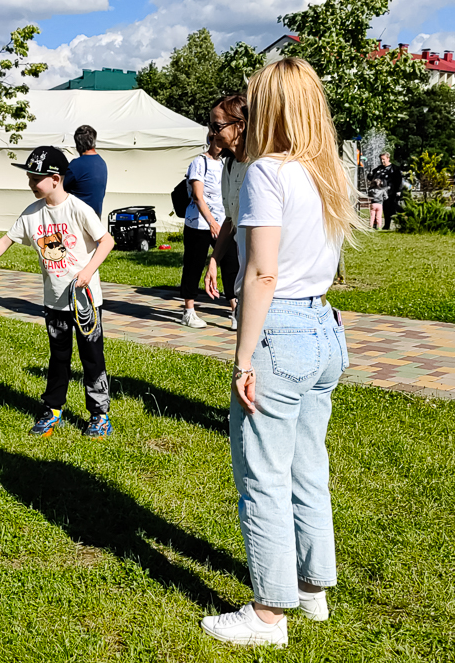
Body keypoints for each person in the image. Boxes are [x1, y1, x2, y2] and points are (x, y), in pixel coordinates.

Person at [199, 58, 358, 648]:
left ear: (273, 106)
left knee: (262, 476)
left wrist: (243, 359)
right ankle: (312, 589)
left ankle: (269, 614)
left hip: (282, 330)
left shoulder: (267, 171)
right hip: (323, 328)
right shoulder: (330, 171)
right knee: (307, 464)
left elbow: (262, 274)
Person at [0, 146, 116, 439]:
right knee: (58, 358)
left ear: (56, 179)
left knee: (92, 358)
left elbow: (106, 242)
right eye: (30, 178)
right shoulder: (32, 214)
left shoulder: (78, 208)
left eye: (37, 178)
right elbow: (5, 241)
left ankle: (99, 415)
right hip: (55, 302)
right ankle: (53, 409)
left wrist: (87, 272)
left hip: (85, 303)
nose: (31, 184)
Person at [180, 133, 238, 329]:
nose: (221, 146)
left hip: (223, 223)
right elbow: (198, 196)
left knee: (231, 263)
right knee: (193, 265)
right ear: (211, 140)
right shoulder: (199, 162)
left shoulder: (225, 164)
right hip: (198, 224)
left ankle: (235, 309)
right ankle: (189, 311)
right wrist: (211, 222)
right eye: (217, 141)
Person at [204, 94, 250, 323]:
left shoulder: (262, 166)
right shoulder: (229, 166)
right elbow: (230, 220)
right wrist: (214, 260)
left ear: (240, 126)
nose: (212, 133)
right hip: (247, 276)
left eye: (217, 125)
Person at [64, 125, 107, 217]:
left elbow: (58, 188)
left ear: (78, 144)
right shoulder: (102, 162)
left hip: (77, 219)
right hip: (95, 217)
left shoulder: (76, 165)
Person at [368, 152, 403, 230]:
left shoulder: (394, 169)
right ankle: (381, 225)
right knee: (383, 209)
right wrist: (370, 175)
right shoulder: (378, 169)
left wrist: (398, 191)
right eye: (381, 159)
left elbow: (399, 180)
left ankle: (402, 218)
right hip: (380, 193)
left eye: (383, 159)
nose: (382, 161)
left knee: (392, 208)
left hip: (391, 192)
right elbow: (371, 178)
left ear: (388, 158)